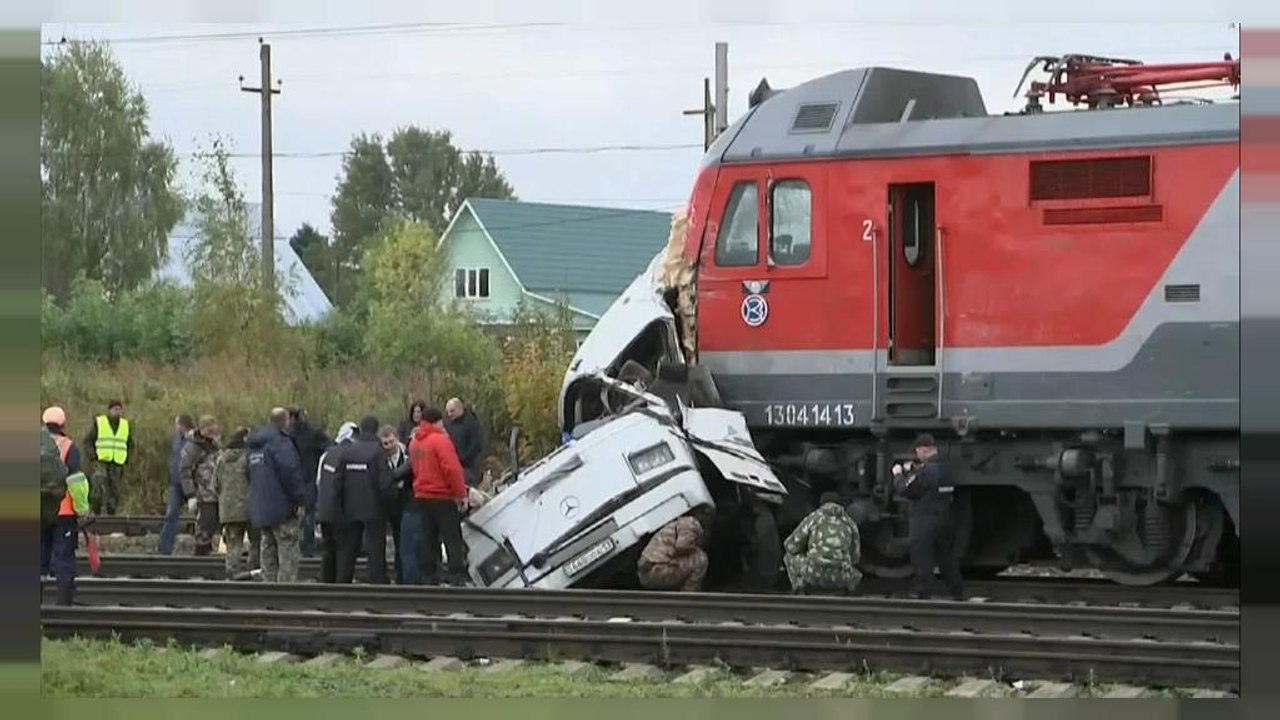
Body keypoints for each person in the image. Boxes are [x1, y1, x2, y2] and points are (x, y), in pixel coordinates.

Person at [402, 406, 469, 586]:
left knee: (428, 537)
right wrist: (461, 494)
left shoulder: (414, 443)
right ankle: (456, 575)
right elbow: (452, 470)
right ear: (438, 422)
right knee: (452, 537)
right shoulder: (440, 441)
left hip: (422, 496)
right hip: (442, 496)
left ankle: (429, 576)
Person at [894, 433, 965, 600]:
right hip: (945, 518)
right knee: (947, 559)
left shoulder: (926, 471)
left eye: (918, 451)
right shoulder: (946, 469)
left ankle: (923, 592)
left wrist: (898, 475)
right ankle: (957, 591)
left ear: (923, 450)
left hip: (924, 521)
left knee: (922, 558)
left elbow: (905, 489)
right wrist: (913, 470)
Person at [332, 416, 396, 584]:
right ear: (376, 429)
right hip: (374, 509)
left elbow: (337, 482)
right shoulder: (377, 452)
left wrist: (340, 504)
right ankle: (376, 583)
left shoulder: (348, 451)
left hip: (350, 509)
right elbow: (385, 482)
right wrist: (390, 504)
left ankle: (342, 583)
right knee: (375, 549)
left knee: (348, 549)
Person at [249, 407, 307, 583]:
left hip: (262, 509)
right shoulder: (280, 443)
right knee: (287, 553)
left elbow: (248, 473)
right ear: (286, 421)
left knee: (268, 553)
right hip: (283, 509)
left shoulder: (255, 445)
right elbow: (290, 472)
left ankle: (269, 592)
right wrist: (300, 500)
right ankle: (286, 593)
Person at [40, 407, 91, 605]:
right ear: (63, 425)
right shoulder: (69, 447)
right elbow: (76, 482)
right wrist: (83, 510)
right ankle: (63, 602)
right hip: (63, 512)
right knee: (64, 558)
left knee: (39, 557)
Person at [783, 492, 863, 596]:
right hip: (841, 576)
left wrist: (808, 550)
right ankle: (847, 593)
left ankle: (799, 588)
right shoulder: (850, 523)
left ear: (821, 504)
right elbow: (855, 558)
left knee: (788, 557)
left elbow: (790, 546)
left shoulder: (813, 518)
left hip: (813, 573)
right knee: (857, 573)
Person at [215, 426, 259, 579]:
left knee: (233, 545)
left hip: (228, 509)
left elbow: (215, 484)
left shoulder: (221, 459)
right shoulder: (250, 457)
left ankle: (232, 573)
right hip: (250, 508)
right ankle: (253, 571)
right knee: (256, 542)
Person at [316, 421, 357, 584]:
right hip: (343, 512)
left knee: (328, 551)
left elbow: (319, 482)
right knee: (344, 552)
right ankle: (342, 588)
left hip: (325, 510)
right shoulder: (352, 455)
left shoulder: (326, 455)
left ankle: (326, 585)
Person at [288, 407, 331, 558]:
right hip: (309, 477)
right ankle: (308, 547)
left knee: (300, 515)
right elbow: (328, 447)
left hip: (298, 478)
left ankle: (301, 546)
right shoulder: (314, 433)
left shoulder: (289, 435)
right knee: (309, 514)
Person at [637, 509, 711, 592]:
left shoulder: (676, 524)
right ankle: (687, 596)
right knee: (701, 559)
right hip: (654, 570)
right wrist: (694, 547)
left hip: (648, 571)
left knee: (688, 560)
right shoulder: (690, 522)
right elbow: (682, 546)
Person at [179, 415, 222, 556]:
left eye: (214, 428)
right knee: (204, 527)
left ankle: (207, 553)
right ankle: (200, 556)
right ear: (202, 429)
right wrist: (190, 495)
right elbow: (184, 471)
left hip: (217, 493)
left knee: (213, 525)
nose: (212, 432)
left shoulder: (216, 444)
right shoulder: (193, 447)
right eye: (209, 429)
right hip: (203, 494)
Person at [84, 400, 131, 515]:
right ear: (109, 410)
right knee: (98, 487)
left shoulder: (125, 425)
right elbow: (88, 440)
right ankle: (96, 512)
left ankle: (111, 513)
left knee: (115, 490)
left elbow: (130, 443)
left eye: (119, 409)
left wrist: (127, 458)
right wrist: (92, 456)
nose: (117, 412)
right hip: (101, 461)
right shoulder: (100, 422)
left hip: (118, 462)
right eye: (115, 409)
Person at [378, 424, 411, 584]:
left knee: (402, 542)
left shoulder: (407, 456)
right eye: (385, 443)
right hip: (385, 504)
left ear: (397, 439)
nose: (389, 446)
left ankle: (401, 576)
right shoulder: (379, 459)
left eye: (391, 442)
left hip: (404, 503)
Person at [158, 414, 195, 555]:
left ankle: (202, 548)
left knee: (201, 517)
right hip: (176, 483)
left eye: (177, 424)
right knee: (171, 514)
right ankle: (164, 549)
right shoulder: (177, 440)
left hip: (191, 482)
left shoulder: (194, 439)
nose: (175, 427)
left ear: (182, 425)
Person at [445, 397, 485, 487]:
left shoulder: (471, 421)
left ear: (460, 408)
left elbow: (476, 443)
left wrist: (464, 458)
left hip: (471, 464)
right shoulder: (450, 425)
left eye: (452, 411)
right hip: (457, 464)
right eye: (448, 412)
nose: (449, 414)